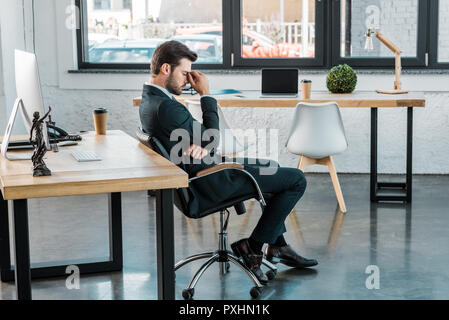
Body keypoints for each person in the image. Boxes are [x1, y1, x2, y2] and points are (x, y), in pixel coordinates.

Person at [139, 40, 317, 284]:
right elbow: (213, 136)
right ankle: (252, 247)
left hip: (204, 172)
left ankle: (278, 247)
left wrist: (203, 144)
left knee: (271, 168)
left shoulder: (149, 100)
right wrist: (205, 94)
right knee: (295, 179)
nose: (187, 80)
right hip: (209, 181)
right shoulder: (166, 108)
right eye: (184, 73)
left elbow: (205, 141)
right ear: (166, 69)